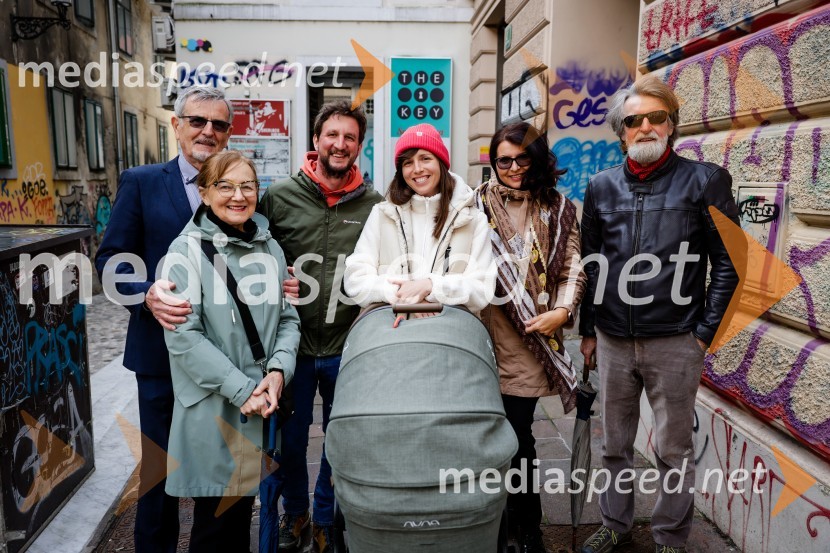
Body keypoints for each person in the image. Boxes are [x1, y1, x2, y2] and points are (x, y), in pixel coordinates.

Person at [579, 76, 742, 553]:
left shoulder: (705, 180)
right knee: (613, 446)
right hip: (611, 339)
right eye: (634, 120)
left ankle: (670, 537)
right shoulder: (600, 186)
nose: (645, 127)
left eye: (656, 117)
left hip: (676, 339)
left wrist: (705, 332)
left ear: (671, 124)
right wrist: (588, 331)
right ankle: (615, 523)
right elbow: (592, 263)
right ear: (621, 131)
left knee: (673, 450)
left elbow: (731, 261)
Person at [95, 86, 233, 553]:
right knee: (160, 472)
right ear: (176, 126)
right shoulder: (141, 181)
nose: (207, 131)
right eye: (197, 121)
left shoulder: (238, 183)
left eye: (218, 124)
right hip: (159, 356)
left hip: (223, 359)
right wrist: (145, 294)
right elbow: (111, 259)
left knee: (217, 471)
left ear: (228, 133)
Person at [158, 150, 300, 553]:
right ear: (204, 193)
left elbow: (288, 321)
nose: (238, 196)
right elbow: (184, 338)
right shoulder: (184, 253)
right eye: (225, 186)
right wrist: (246, 391)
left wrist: (278, 372)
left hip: (262, 405)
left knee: (238, 523)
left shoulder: (270, 247)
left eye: (247, 186)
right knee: (215, 530)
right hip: (217, 411)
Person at [257, 100, 382, 552]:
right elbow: (253, 253)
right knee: (290, 440)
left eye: (350, 137)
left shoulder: (375, 205)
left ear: (359, 146)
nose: (340, 144)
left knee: (341, 436)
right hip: (290, 346)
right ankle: (297, 513)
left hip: (347, 344)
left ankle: (326, 515)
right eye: (332, 134)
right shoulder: (279, 197)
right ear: (316, 140)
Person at [475, 122, 586, 553]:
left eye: (523, 158)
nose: (515, 167)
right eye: (505, 160)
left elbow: (572, 267)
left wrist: (561, 311)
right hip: (482, 336)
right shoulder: (474, 205)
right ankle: (494, 525)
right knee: (485, 437)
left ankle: (528, 528)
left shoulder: (559, 208)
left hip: (528, 340)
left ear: (537, 158)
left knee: (518, 436)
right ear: (494, 162)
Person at [344, 123, 494, 313]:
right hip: (391, 335)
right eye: (408, 163)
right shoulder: (382, 214)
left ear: (441, 163)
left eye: (425, 158)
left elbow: (483, 287)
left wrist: (431, 286)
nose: (417, 169)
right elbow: (355, 278)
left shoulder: (472, 219)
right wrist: (404, 294)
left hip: (450, 336)